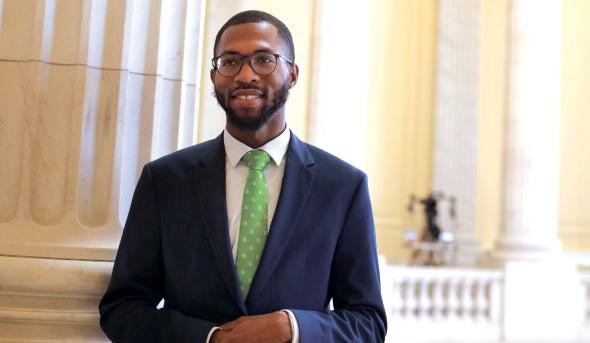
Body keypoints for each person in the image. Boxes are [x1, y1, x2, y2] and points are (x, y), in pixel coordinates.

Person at [99, 10, 386, 343]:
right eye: (230, 61)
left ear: (292, 74)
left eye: (264, 59)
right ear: (213, 75)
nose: (245, 75)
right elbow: (122, 309)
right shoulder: (164, 180)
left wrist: (292, 328)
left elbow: (368, 324)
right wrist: (211, 338)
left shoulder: (343, 187)